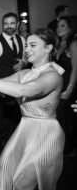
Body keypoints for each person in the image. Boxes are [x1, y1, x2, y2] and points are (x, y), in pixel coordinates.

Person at [0, 28, 65, 190]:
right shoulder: (25, 73)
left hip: (45, 132)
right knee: (4, 166)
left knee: (23, 182)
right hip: (25, 127)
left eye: (33, 45)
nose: (27, 50)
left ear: (48, 48)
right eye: (26, 45)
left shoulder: (53, 76)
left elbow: (23, 90)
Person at [0, 12, 27, 147]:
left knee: (19, 115)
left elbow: (26, 57)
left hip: (21, 86)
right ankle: (3, 143)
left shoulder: (21, 39)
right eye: (5, 24)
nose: (9, 26)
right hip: (5, 87)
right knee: (5, 118)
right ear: (2, 25)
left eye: (11, 23)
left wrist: (23, 62)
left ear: (17, 24)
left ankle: (17, 141)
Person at [55, 15, 77, 156]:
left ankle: (70, 148)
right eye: (58, 26)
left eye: (63, 25)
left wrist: (69, 89)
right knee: (62, 116)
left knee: (67, 117)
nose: (59, 28)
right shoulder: (62, 43)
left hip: (71, 84)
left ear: (71, 27)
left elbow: (76, 68)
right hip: (61, 84)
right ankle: (66, 146)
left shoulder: (74, 43)